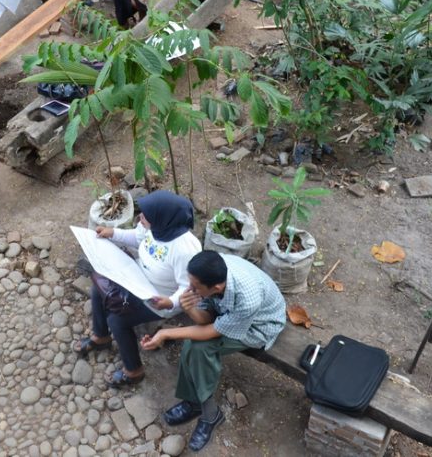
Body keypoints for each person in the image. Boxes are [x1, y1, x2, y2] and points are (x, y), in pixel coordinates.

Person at [141, 250, 286, 452]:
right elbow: (206, 318)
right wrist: (190, 309)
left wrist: (166, 334)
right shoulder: (212, 270)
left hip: (258, 326)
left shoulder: (246, 298)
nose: (189, 288)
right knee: (193, 345)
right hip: (230, 313)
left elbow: (211, 331)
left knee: (199, 348)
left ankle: (210, 414)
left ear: (216, 287)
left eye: (195, 287)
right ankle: (195, 402)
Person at [73, 191, 202, 388]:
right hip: (137, 277)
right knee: (98, 290)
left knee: (117, 320)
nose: (140, 218)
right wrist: (112, 233)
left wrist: (170, 302)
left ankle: (134, 371)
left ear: (162, 219)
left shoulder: (185, 250)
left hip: (159, 299)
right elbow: (137, 237)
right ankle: (101, 337)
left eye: (145, 216)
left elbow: (188, 288)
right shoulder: (154, 227)